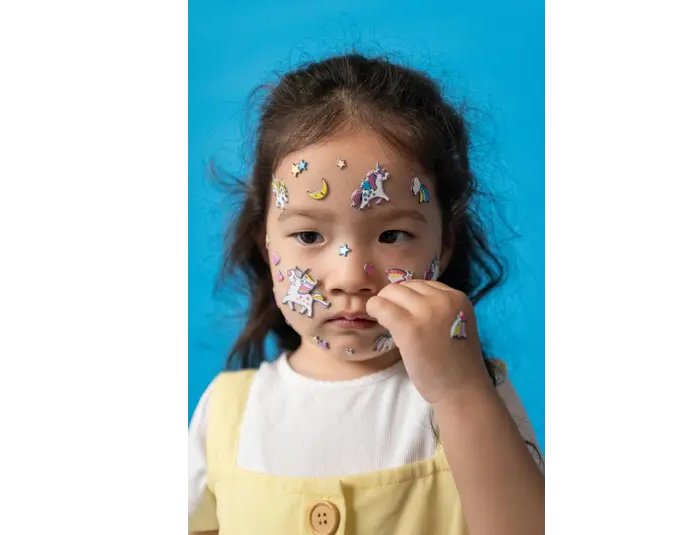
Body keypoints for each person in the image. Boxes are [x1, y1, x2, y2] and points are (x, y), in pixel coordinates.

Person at [188, 53, 546, 535]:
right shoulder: (226, 412)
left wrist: (461, 393)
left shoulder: (474, 395)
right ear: (264, 242)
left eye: (392, 235)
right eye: (310, 237)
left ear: (444, 245)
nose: (351, 276)